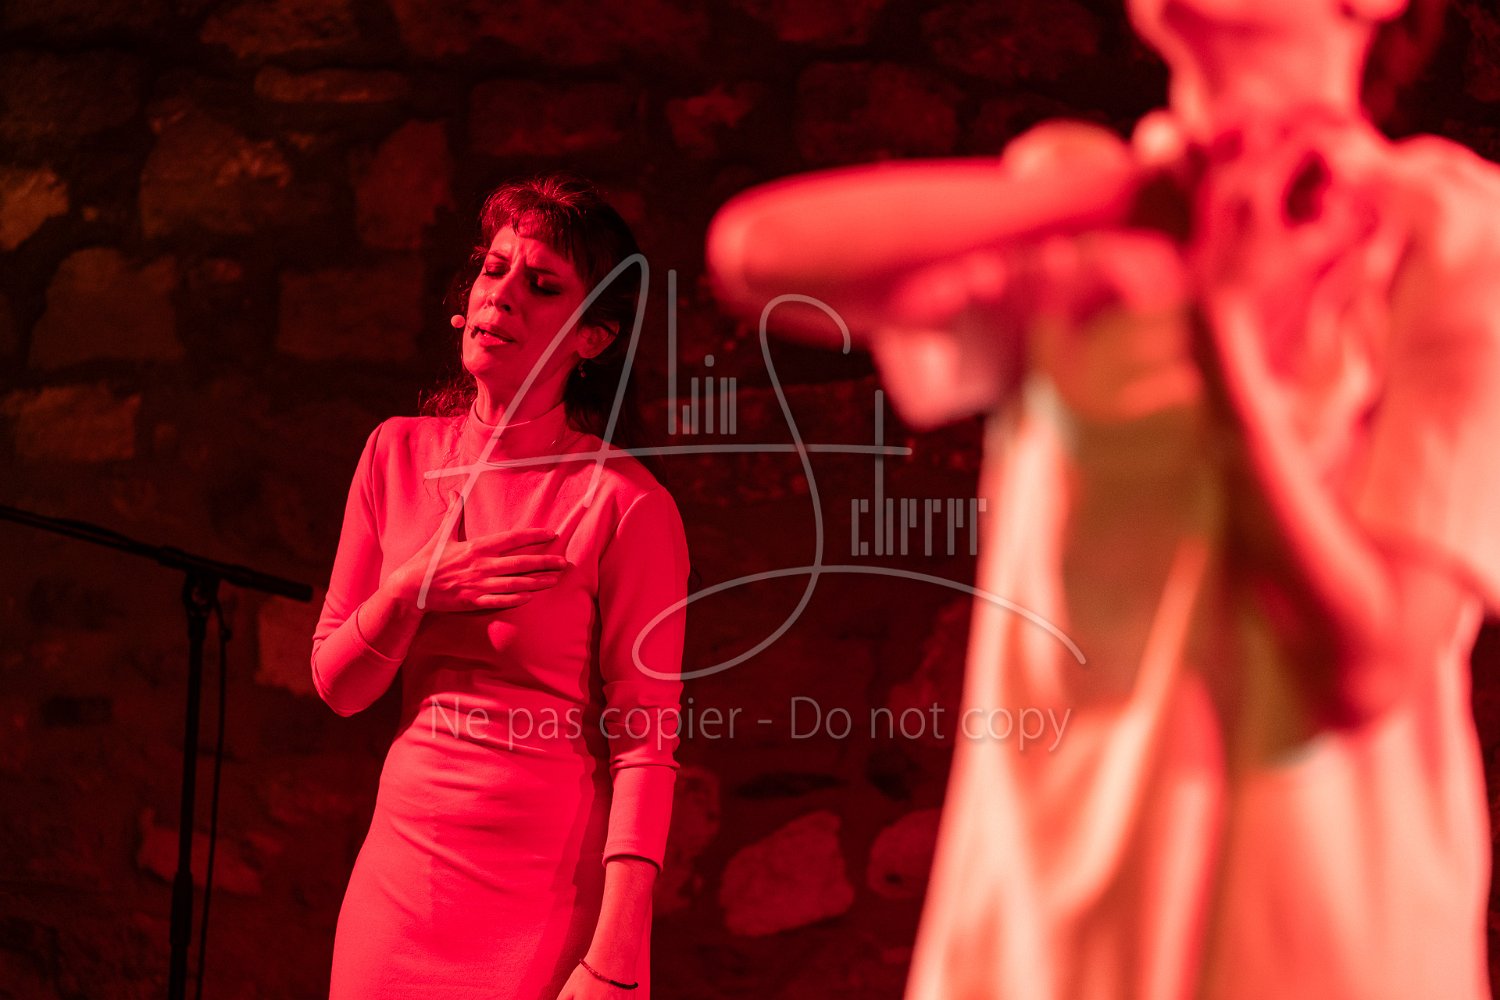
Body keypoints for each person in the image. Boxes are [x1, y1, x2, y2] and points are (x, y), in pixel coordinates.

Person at [707, 0, 1499, 997]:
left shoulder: (1451, 229)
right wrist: (1130, 194)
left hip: (1319, 911)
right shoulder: (1078, 201)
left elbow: (1374, 661)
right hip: (1052, 909)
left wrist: (1225, 336)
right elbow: (761, 253)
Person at [310, 175, 689, 999]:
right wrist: (411, 590)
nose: (502, 293)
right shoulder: (394, 454)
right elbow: (338, 686)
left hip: (537, 897)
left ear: (592, 338)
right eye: (494, 268)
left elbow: (646, 743)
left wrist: (619, 951)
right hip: (400, 885)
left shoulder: (626, 503)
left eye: (542, 284)